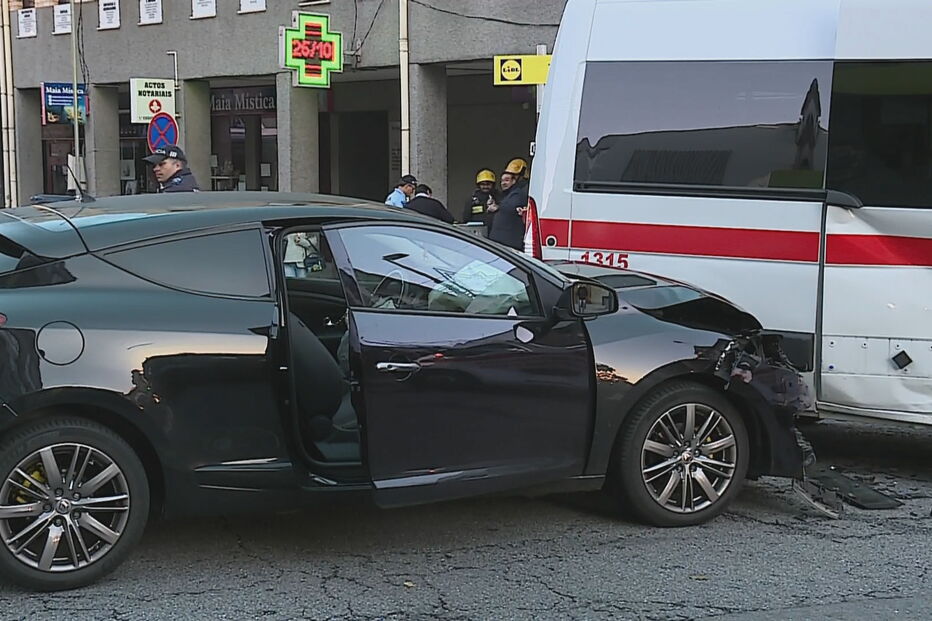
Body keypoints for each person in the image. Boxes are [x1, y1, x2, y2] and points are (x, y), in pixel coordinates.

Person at [487, 158, 530, 250]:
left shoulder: (522, 190)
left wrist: (497, 207)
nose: (503, 183)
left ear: (515, 179)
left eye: (507, 180)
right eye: (502, 181)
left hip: (510, 244)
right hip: (503, 243)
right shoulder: (510, 193)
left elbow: (513, 205)